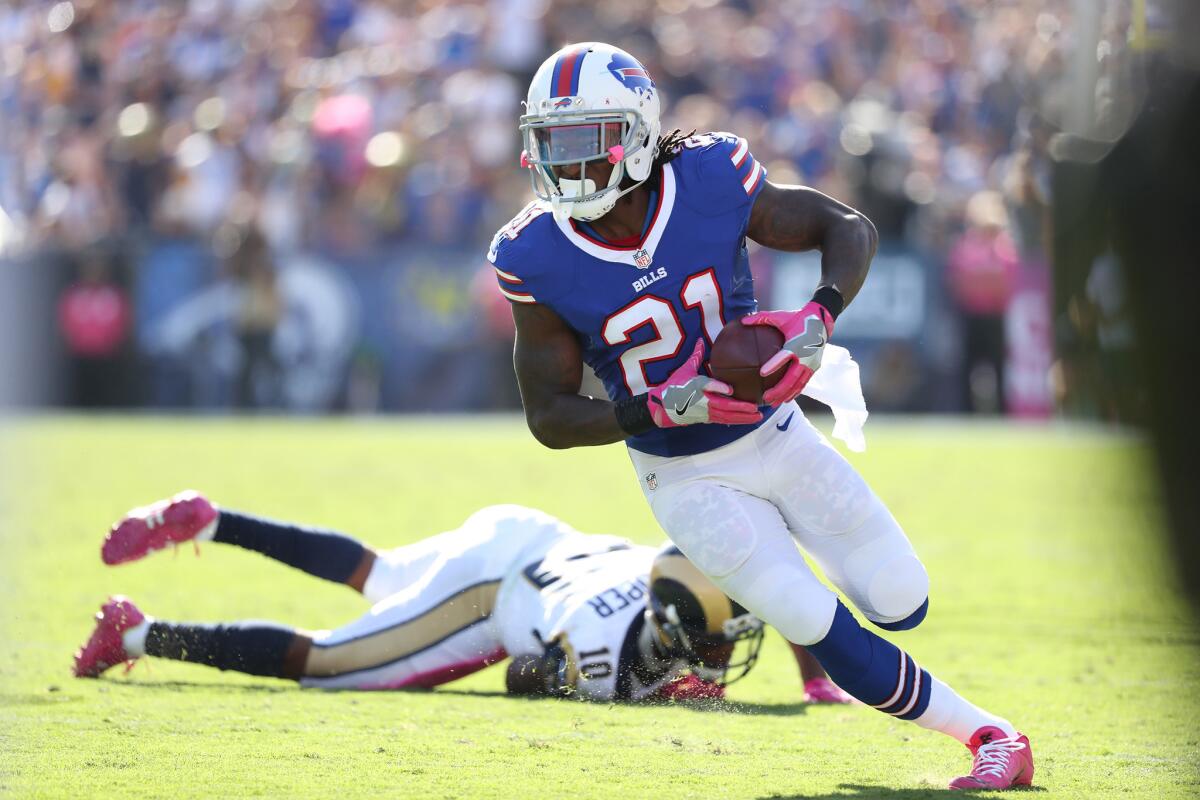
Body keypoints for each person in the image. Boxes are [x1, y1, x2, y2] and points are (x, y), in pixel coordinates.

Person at [491, 42, 1033, 790]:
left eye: (587, 143)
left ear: (638, 132)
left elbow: (848, 227)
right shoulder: (533, 252)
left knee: (902, 598)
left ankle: (799, 585)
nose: (569, 166)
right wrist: (656, 405)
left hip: (775, 432)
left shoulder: (709, 177)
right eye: (552, 146)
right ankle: (991, 735)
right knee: (811, 617)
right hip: (682, 477)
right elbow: (548, 416)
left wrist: (818, 319)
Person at [73, 491, 848, 704]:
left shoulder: (674, 576)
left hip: (523, 535)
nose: (728, 649)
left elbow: (774, 590)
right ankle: (136, 634)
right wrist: (547, 677)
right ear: (675, 640)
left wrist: (814, 677)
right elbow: (518, 677)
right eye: (717, 642)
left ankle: (217, 520)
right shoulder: (615, 657)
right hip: (493, 592)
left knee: (378, 574)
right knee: (331, 662)